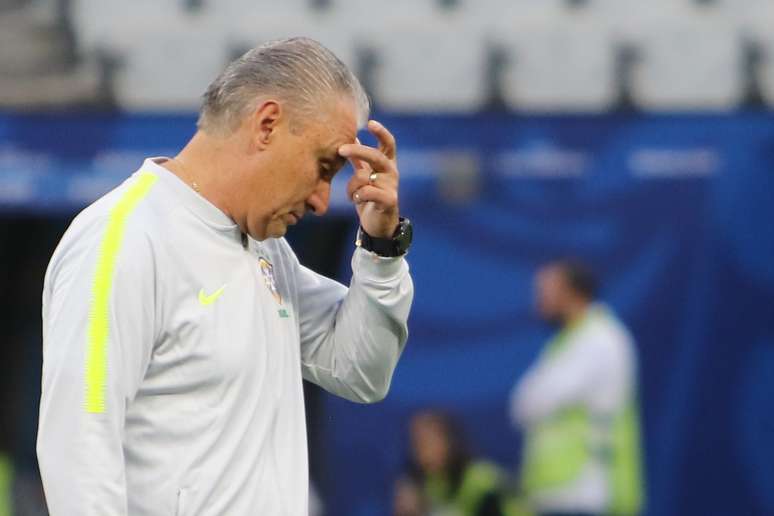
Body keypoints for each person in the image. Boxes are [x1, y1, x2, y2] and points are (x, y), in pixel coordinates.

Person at [37, 37, 414, 515]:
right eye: (324, 168)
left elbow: (361, 371)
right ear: (267, 124)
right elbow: (78, 445)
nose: (323, 201)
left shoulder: (266, 251)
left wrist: (381, 250)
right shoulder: (124, 240)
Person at [509, 261, 644, 516]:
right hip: (560, 493)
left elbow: (531, 403)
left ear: (571, 293)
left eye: (545, 291)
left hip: (588, 492)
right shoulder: (567, 341)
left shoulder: (600, 339)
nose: (538, 301)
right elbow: (521, 405)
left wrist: (531, 401)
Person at [394, 409, 512, 516]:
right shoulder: (421, 484)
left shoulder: (483, 480)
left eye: (428, 442)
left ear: (450, 441)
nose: (421, 452)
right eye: (416, 443)